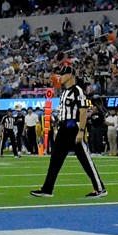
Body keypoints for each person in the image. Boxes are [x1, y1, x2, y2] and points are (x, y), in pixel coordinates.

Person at [31, 60, 106, 199]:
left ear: (71, 75)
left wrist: (81, 131)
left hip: (73, 128)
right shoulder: (64, 92)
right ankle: (47, 189)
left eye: (63, 74)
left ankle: (100, 188)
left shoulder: (77, 91)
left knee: (85, 159)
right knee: (55, 159)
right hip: (64, 127)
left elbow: (83, 111)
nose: (60, 77)